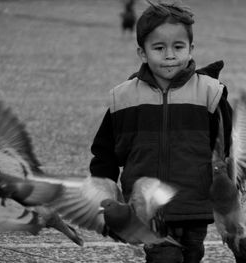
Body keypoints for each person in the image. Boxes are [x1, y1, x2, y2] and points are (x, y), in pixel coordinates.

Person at [90, 2, 232, 262]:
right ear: (142, 53)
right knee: (164, 258)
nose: (169, 55)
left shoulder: (209, 93)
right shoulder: (124, 97)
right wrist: (105, 191)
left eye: (178, 47)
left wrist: (230, 184)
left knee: (192, 255)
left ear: (191, 49)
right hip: (147, 210)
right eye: (158, 48)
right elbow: (105, 152)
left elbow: (225, 147)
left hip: (194, 205)